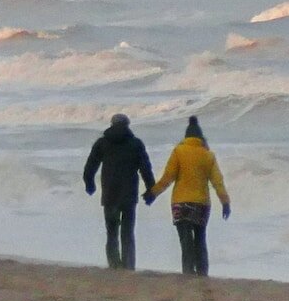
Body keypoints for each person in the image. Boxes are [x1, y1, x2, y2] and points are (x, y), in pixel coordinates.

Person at [146, 116, 231, 276]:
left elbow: (168, 177)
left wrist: (153, 193)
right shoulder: (208, 155)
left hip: (181, 204)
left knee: (185, 240)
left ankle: (188, 272)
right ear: (201, 138)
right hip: (202, 205)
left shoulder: (178, 151)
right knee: (200, 239)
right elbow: (217, 182)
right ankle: (202, 273)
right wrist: (225, 202)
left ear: (186, 137)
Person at [81, 112, 156, 269]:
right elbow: (145, 169)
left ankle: (114, 265)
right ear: (127, 125)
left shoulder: (102, 143)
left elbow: (90, 166)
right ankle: (128, 266)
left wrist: (89, 184)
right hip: (129, 195)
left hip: (109, 194)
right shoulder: (136, 144)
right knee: (128, 233)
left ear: (111, 124)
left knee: (112, 232)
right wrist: (151, 190)